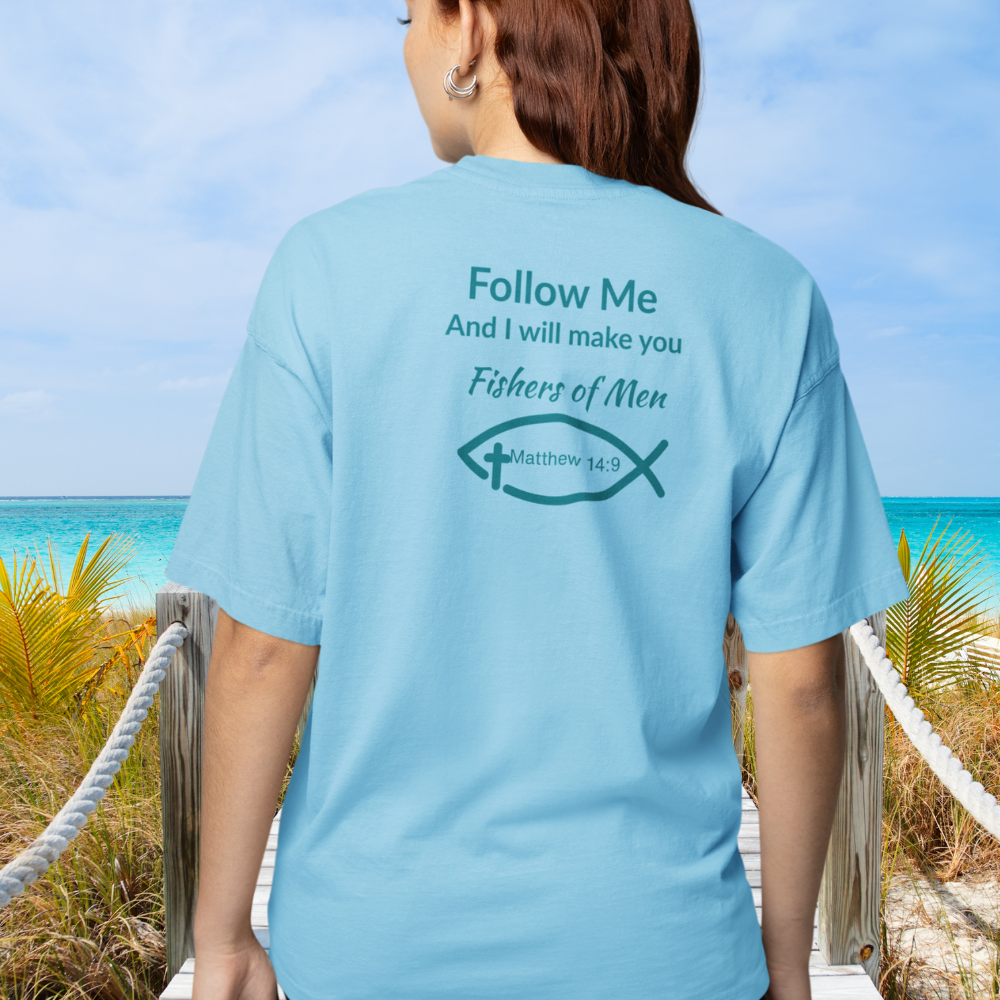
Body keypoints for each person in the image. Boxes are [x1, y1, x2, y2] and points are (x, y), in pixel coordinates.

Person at [166, 1, 908, 998]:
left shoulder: (329, 266)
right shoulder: (767, 295)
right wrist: (783, 964)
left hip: (371, 949)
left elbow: (263, 646)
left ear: (469, 28)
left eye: (409, 12)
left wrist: (220, 938)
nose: (405, 44)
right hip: (662, 950)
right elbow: (801, 679)